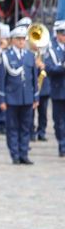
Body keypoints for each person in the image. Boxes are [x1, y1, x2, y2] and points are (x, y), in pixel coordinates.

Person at [0, 26, 37, 165]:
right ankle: (15, 154)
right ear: (12, 40)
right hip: (12, 98)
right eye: (18, 39)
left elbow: (34, 79)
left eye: (23, 39)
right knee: (12, 128)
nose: (21, 41)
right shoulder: (6, 56)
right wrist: (1, 98)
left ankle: (24, 153)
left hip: (27, 97)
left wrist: (35, 97)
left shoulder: (30, 55)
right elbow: (1, 79)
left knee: (26, 128)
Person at [47, 21, 65, 158]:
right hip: (59, 91)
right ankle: (62, 144)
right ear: (58, 34)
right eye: (63, 34)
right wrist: (62, 67)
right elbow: (49, 69)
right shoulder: (52, 50)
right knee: (59, 121)